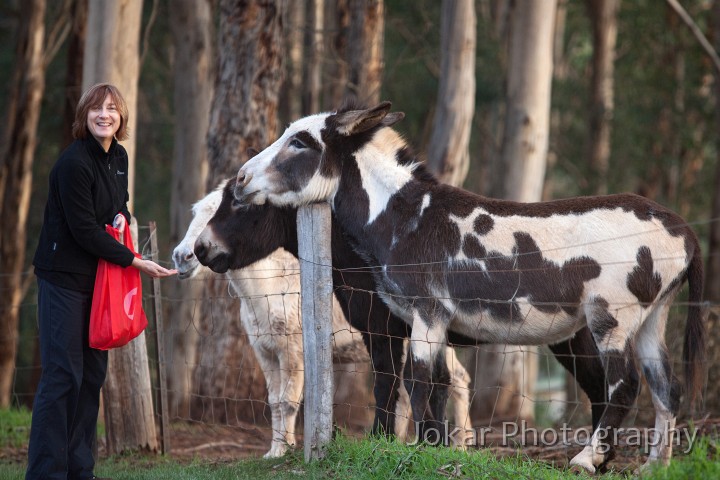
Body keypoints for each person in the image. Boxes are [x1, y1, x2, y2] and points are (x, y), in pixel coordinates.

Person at [27, 83, 177, 480]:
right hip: (62, 280)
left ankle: (81, 470)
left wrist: (122, 217)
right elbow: (83, 231)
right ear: (84, 116)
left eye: (112, 109)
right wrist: (136, 261)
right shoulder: (73, 164)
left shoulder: (120, 156)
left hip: (99, 282)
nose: (104, 115)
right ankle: (45, 472)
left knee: (91, 376)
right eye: (96, 109)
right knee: (63, 376)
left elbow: (117, 205)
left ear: (121, 117)